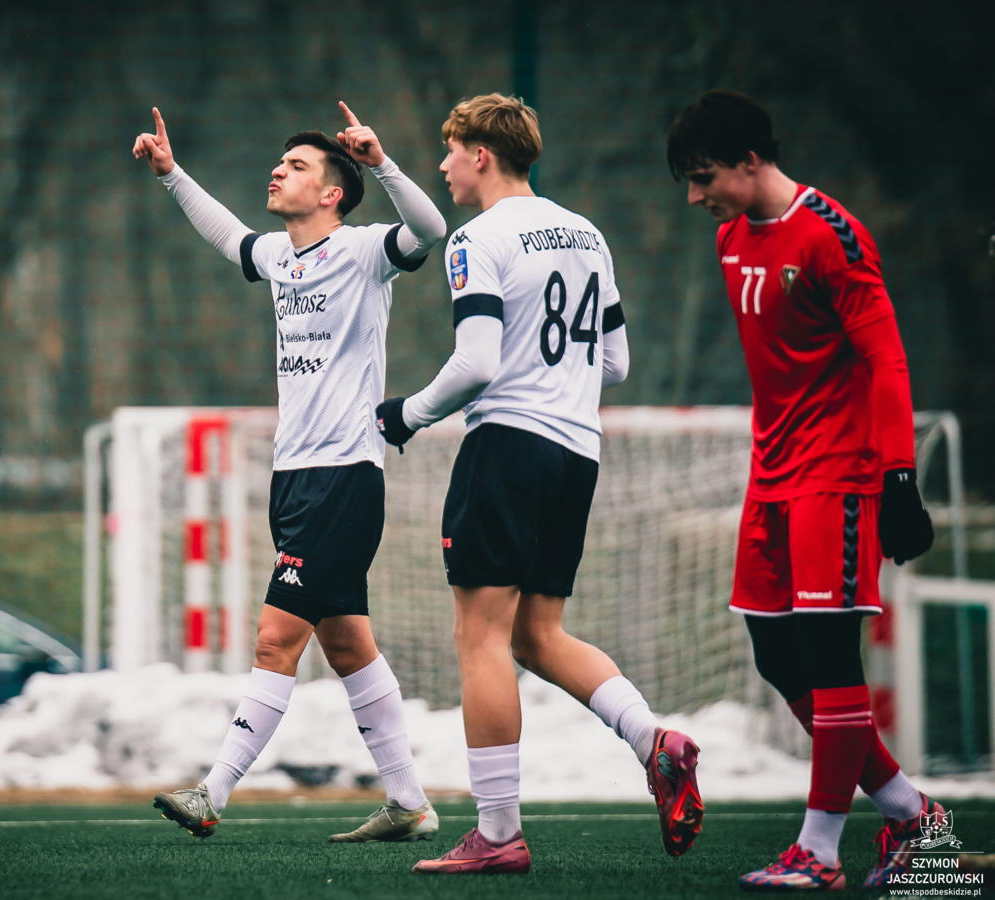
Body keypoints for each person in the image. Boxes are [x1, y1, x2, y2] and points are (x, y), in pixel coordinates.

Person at [378, 93, 704, 876]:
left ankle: (497, 834)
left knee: (481, 638)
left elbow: (478, 362)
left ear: (481, 154)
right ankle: (654, 741)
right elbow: (616, 363)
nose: (444, 165)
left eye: (450, 150)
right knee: (537, 634)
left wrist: (407, 414)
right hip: (576, 453)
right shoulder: (587, 233)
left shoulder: (476, 238)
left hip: (508, 446)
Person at [132, 102, 447, 843]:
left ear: (333, 191)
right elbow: (228, 235)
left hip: (344, 475)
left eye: (297, 165)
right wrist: (172, 175)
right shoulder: (280, 255)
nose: (278, 171)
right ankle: (409, 803)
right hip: (294, 478)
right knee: (347, 646)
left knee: (276, 640)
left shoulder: (365, 250)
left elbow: (431, 229)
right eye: (280, 161)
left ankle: (213, 791)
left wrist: (381, 163)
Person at [667, 89, 936, 892]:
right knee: (776, 653)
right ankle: (911, 814)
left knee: (828, 651)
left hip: (839, 475)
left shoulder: (832, 237)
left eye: (704, 176)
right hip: (772, 475)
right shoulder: (730, 237)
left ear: (751, 160)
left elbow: (885, 359)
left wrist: (898, 477)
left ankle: (819, 853)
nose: (695, 197)